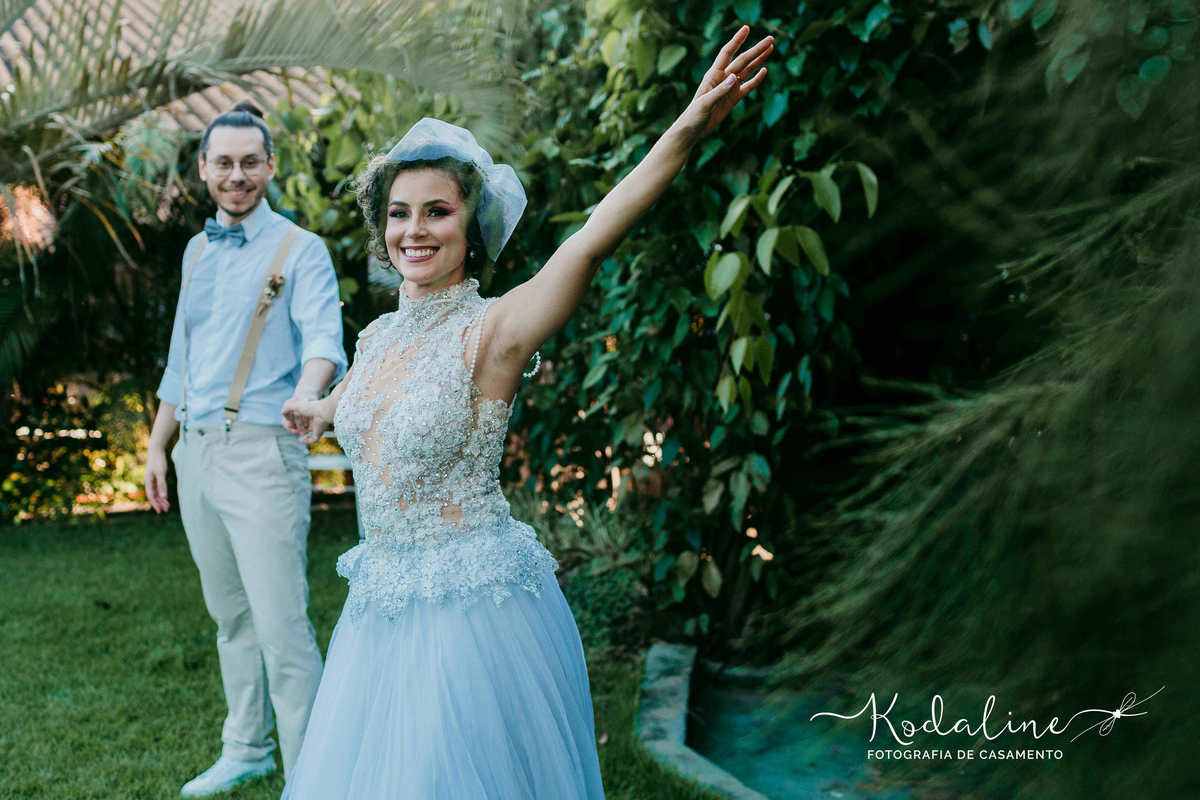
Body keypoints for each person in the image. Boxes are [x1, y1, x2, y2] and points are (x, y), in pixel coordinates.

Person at [277, 26, 774, 798]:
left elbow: (587, 244)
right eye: (400, 213)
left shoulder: (496, 331)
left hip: (470, 619)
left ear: (470, 231)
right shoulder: (375, 335)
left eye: (437, 212)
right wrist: (320, 407)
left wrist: (683, 130)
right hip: (380, 607)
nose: (415, 230)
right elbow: (372, 389)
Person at [143, 101, 348, 797]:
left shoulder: (301, 249)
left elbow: (325, 341)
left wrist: (310, 392)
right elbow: (181, 358)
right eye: (223, 163)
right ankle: (247, 749)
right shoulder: (196, 251)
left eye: (249, 162)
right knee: (230, 617)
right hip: (194, 454)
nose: (237, 176)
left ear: (269, 166)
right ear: (203, 169)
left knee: (282, 628)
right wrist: (156, 447)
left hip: (263, 453)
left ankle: (313, 777)